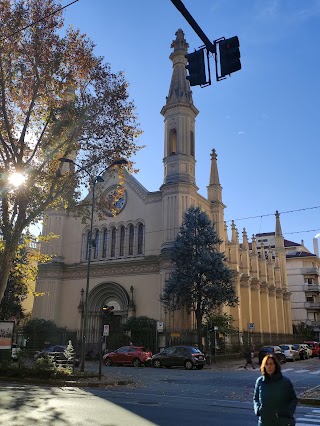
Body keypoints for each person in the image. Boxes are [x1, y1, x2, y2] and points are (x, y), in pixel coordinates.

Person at [253, 354, 297, 425]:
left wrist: (287, 412)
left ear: (275, 365)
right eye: (266, 364)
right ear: (264, 366)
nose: (269, 367)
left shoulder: (285, 382)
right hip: (264, 422)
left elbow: (293, 399)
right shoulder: (260, 381)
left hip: (282, 422)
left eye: (271, 364)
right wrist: (258, 410)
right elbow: (256, 398)